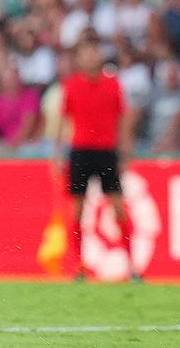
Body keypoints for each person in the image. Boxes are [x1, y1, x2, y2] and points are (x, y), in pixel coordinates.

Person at [56, 36, 135, 282]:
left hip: (106, 152)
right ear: (79, 58)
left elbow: (123, 121)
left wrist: (124, 154)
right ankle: (79, 266)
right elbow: (63, 121)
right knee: (76, 212)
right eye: (86, 53)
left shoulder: (113, 85)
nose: (90, 57)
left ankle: (132, 266)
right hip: (80, 151)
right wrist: (58, 155)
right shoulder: (71, 85)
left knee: (119, 210)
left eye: (94, 52)